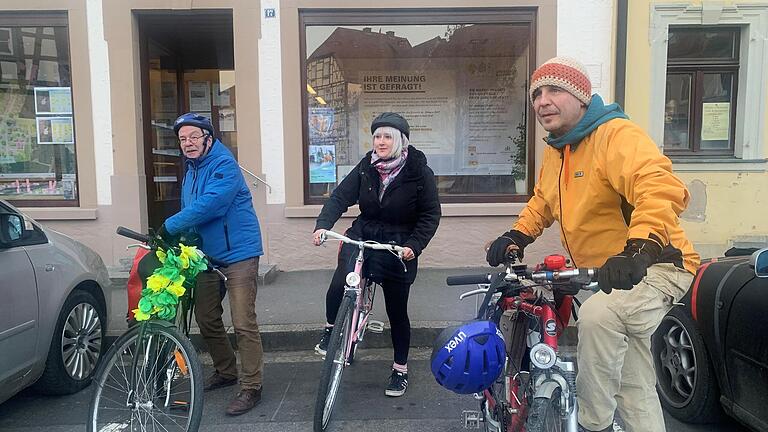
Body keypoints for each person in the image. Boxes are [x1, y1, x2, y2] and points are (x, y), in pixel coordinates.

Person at [485, 57, 700, 432]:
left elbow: (658, 187)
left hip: (657, 264)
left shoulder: (615, 134)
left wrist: (639, 248)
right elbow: (543, 202)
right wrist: (517, 235)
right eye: (536, 93)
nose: (542, 100)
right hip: (610, 277)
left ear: (580, 97)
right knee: (633, 386)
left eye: (554, 90)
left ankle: (591, 424)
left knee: (599, 317)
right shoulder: (558, 150)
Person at [312, 112, 441, 397]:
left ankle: (400, 369)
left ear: (401, 141)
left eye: (387, 137)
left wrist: (414, 245)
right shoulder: (365, 166)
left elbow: (430, 215)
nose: (380, 142)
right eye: (376, 137)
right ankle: (331, 329)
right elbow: (339, 197)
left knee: (397, 312)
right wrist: (323, 226)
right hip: (363, 235)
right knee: (338, 287)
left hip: (397, 245)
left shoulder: (418, 172)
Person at [160, 112, 265, 416]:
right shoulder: (191, 168)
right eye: (182, 139)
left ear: (208, 138)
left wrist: (169, 225)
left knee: (243, 322)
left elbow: (211, 204)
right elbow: (190, 209)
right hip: (206, 255)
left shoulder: (223, 164)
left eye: (194, 137)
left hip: (239, 254)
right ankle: (226, 370)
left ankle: (251, 386)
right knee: (206, 317)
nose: (188, 143)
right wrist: (181, 242)